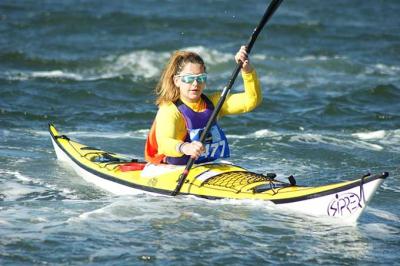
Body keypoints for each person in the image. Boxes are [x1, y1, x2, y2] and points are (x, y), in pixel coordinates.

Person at [145, 45, 262, 166]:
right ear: (177, 81)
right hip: (172, 168)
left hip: (206, 165)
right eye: (189, 78)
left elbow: (252, 100)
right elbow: (164, 143)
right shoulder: (169, 110)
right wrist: (185, 147)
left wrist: (247, 70)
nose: (195, 83)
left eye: (201, 78)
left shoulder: (215, 103)